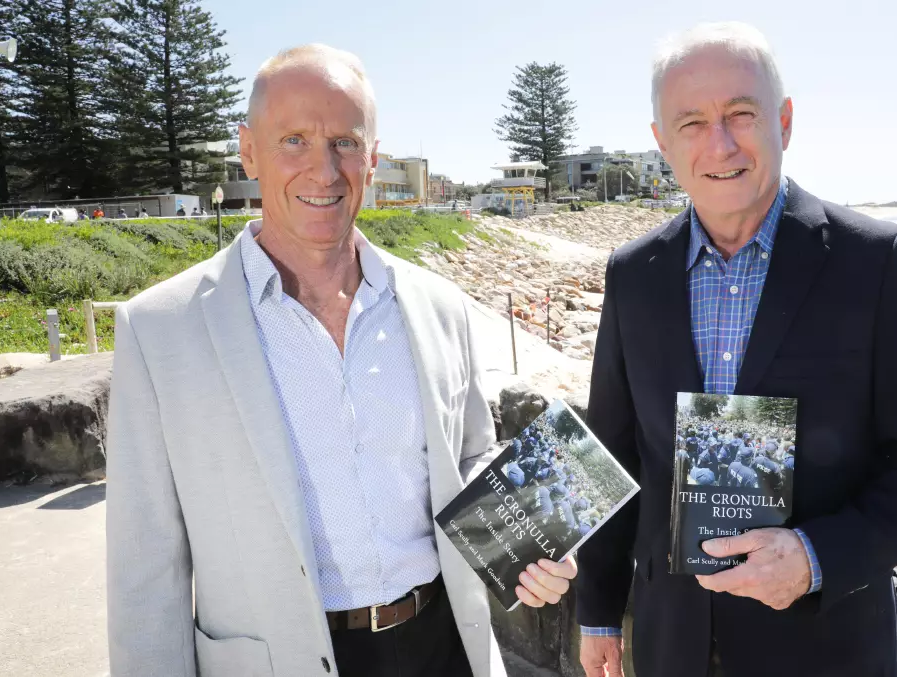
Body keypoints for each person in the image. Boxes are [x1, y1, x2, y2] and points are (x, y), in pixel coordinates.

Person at [106, 44, 576, 677]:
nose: (324, 171)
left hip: (441, 647)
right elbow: (145, 563)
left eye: (346, 143)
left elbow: (469, 456)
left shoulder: (439, 305)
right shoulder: (160, 327)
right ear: (248, 152)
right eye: (294, 140)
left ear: (373, 157)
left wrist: (530, 541)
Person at [576, 22, 897, 677]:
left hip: (829, 649)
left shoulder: (875, 262)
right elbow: (615, 456)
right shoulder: (633, 274)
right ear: (661, 143)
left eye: (742, 113)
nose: (721, 143)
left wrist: (817, 555)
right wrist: (598, 611)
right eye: (692, 123)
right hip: (672, 646)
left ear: (784, 121)